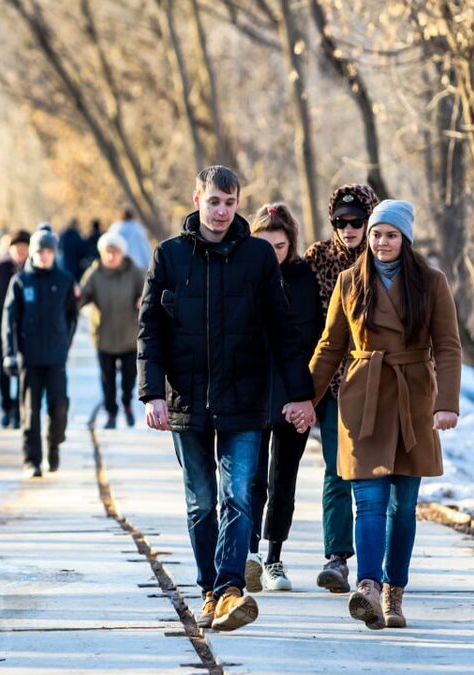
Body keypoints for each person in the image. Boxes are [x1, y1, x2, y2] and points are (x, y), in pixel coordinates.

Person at [138, 166, 316, 632]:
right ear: (197, 198)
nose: (221, 211)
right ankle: (208, 590)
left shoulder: (258, 256)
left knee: (238, 496)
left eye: (230, 202)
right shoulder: (170, 256)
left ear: (238, 204)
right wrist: (152, 393)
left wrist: (302, 395)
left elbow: (284, 330)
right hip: (186, 401)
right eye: (214, 201)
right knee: (202, 502)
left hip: (245, 399)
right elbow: (150, 331)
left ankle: (230, 589)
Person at [308, 199, 462, 630]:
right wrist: (305, 398)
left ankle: (395, 591)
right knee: (369, 501)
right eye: (376, 234)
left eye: (390, 234)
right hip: (364, 397)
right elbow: (330, 346)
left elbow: (448, 346)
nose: (380, 242)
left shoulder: (431, 282)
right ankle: (368, 587)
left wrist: (447, 402)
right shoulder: (349, 280)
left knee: (403, 507)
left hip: (413, 398)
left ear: (405, 238)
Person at [301, 183, 379, 593]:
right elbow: (308, 325)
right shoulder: (317, 259)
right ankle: (337, 557)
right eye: (340, 222)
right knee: (336, 469)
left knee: (377, 474)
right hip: (332, 383)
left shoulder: (385, 257)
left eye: (356, 221)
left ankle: (379, 562)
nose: (348, 229)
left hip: (378, 383)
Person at [245, 203, 321, 593]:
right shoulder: (244, 274)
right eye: (264, 244)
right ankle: (250, 553)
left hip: (294, 391)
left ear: (290, 244)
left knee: (283, 479)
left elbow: (313, 338)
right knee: (250, 478)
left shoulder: (304, 278)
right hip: (252, 393)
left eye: (279, 245)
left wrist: (306, 397)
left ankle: (274, 556)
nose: (271, 252)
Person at [3, 224, 79, 478]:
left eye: (48, 250)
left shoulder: (65, 281)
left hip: (56, 357)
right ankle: (31, 460)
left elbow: (72, 315)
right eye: (40, 251)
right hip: (30, 357)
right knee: (30, 412)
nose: (44, 255)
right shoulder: (21, 282)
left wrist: (65, 340)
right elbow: (9, 320)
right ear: (33, 253)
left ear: (54, 253)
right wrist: (9, 353)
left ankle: (54, 446)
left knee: (58, 407)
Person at [79, 231, 143, 429]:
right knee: (107, 381)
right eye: (107, 251)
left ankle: (126, 403)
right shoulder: (94, 274)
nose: (110, 256)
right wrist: (75, 297)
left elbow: (147, 294)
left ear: (122, 253)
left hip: (129, 336)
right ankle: (111, 413)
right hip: (103, 336)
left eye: (114, 251)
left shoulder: (134, 272)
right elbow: (82, 297)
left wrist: (143, 301)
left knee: (128, 378)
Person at [0, 229, 30, 429]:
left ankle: (19, 411)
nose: (19, 251)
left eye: (23, 248)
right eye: (16, 248)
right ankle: (6, 408)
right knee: (2, 373)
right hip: (2, 330)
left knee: (24, 373)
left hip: (27, 330)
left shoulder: (33, 271)